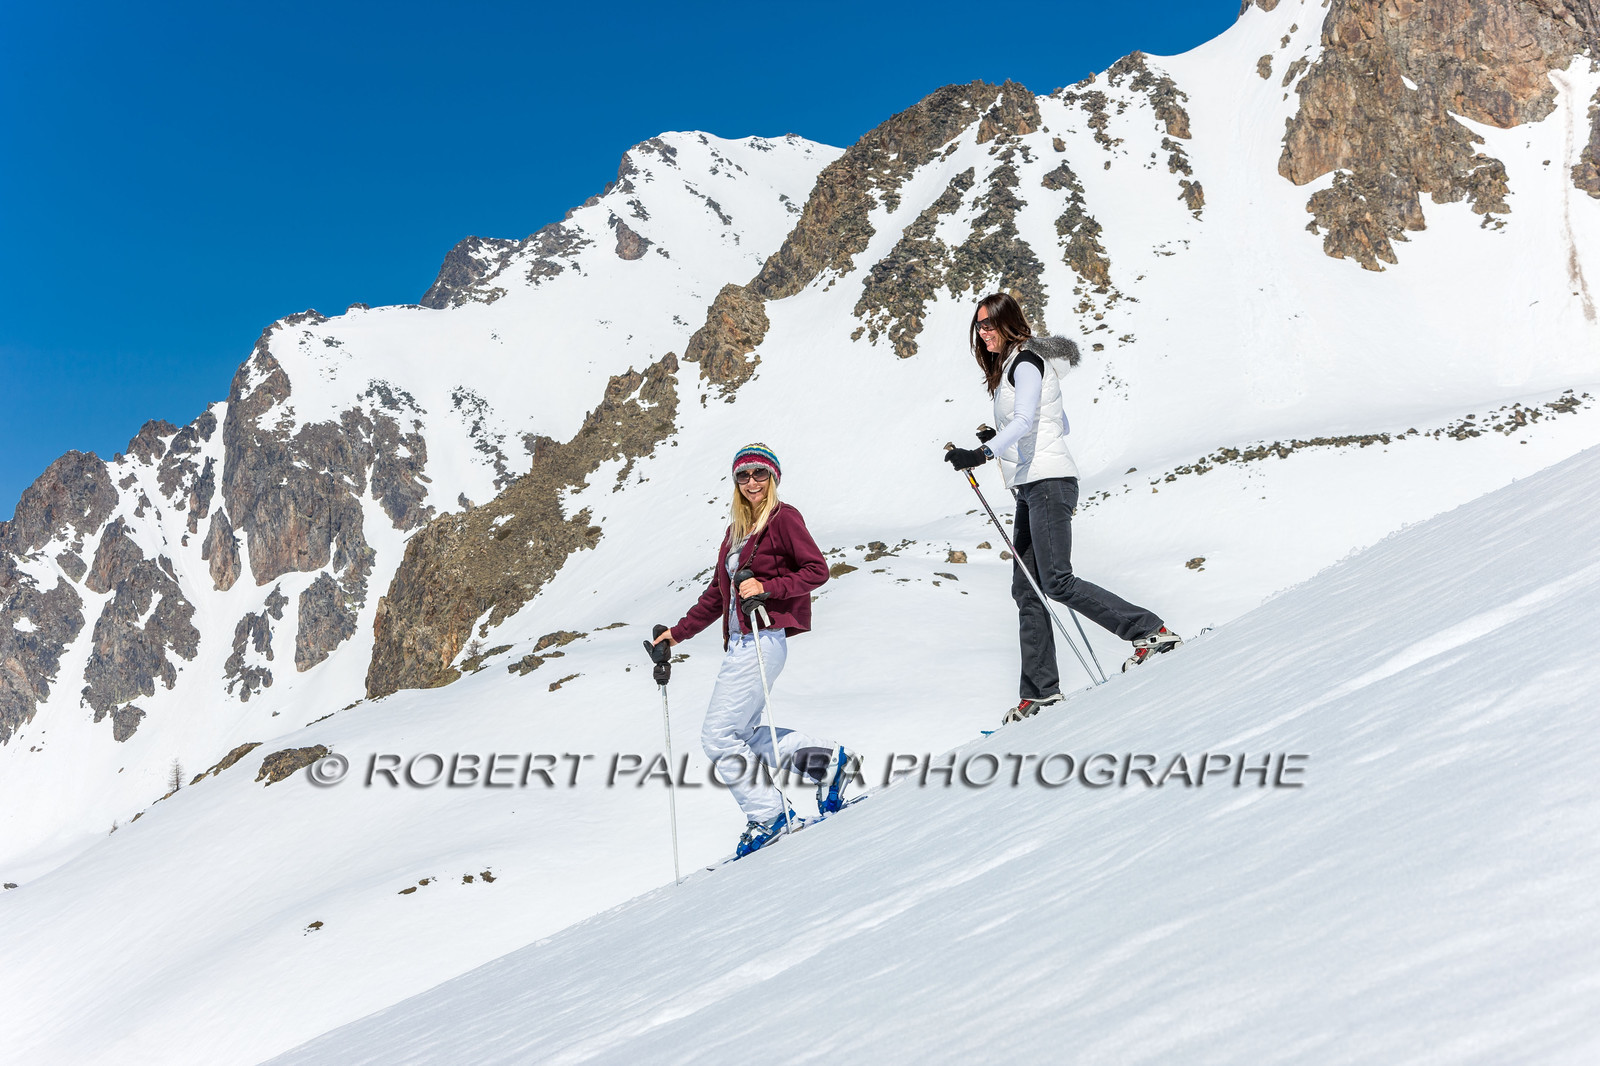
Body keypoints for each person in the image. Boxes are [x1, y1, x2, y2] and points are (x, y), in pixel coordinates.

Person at [943, 293, 1181, 725]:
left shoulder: (1026, 362)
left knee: (1056, 580)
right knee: (1028, 589)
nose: (983, 332)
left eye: (989, 324)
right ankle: (1040, 692)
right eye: (978, 326)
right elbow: (1058, 423)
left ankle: (1150, 631)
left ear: (1008, 323)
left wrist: (982, 452)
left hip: (1049, 483)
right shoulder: (1016, 365)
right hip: (1033, 485)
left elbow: (1026, 422)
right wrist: (999, 437)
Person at [652, 443, 858, 856]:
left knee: (718, 737)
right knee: (741, 734)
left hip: (764, 637)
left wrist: (768, 587)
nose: (752, 482)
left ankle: (770, 815)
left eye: (759, 474)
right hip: (742, 642)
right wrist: (676, 634)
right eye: (743, 475)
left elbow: (817, 570)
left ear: (773, 478)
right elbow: (717, 595)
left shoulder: (783, 518)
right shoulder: (736, 533)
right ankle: (828, 762)